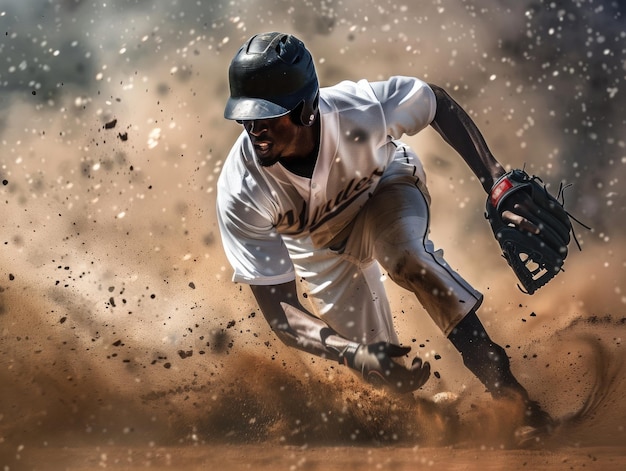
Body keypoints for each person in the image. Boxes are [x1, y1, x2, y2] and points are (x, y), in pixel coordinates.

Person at [216, 31, 556, 441]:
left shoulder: (359, 109)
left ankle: (511, 395)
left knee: (405, 256)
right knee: (383, 388)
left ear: (306, 109)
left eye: (268, 114)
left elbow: (434, 101)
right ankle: (440, 417)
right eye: (246, 115)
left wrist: (496, 180)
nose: (254, 128)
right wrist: (351, 353)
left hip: (383, 189)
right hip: (320, 247)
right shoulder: (241, 188)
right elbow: (280, 311)